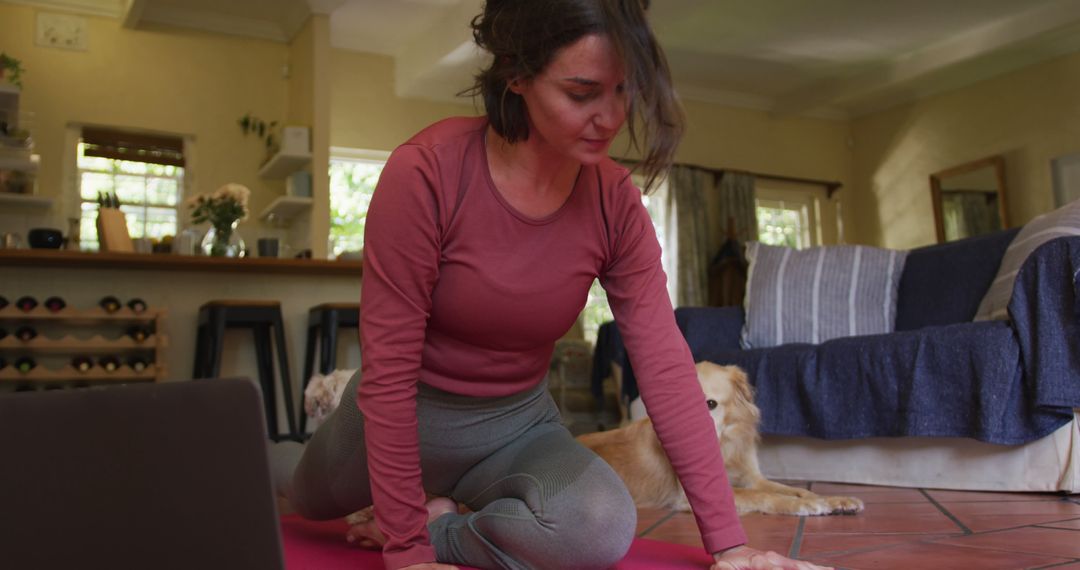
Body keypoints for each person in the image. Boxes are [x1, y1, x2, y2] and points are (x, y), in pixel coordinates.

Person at [272, 1, 832, 569]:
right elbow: (389, 372)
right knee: (301, 497)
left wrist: (731, 547)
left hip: (515, 428)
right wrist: (406, 557)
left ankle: (443, 518)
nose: (610, 117)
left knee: (601, 526)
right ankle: (295, 462)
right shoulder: (425, 172)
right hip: (402, 414)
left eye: (623, 90)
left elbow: (664, 366)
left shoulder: (615, 201)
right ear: (516, 74)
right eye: (582, 92)